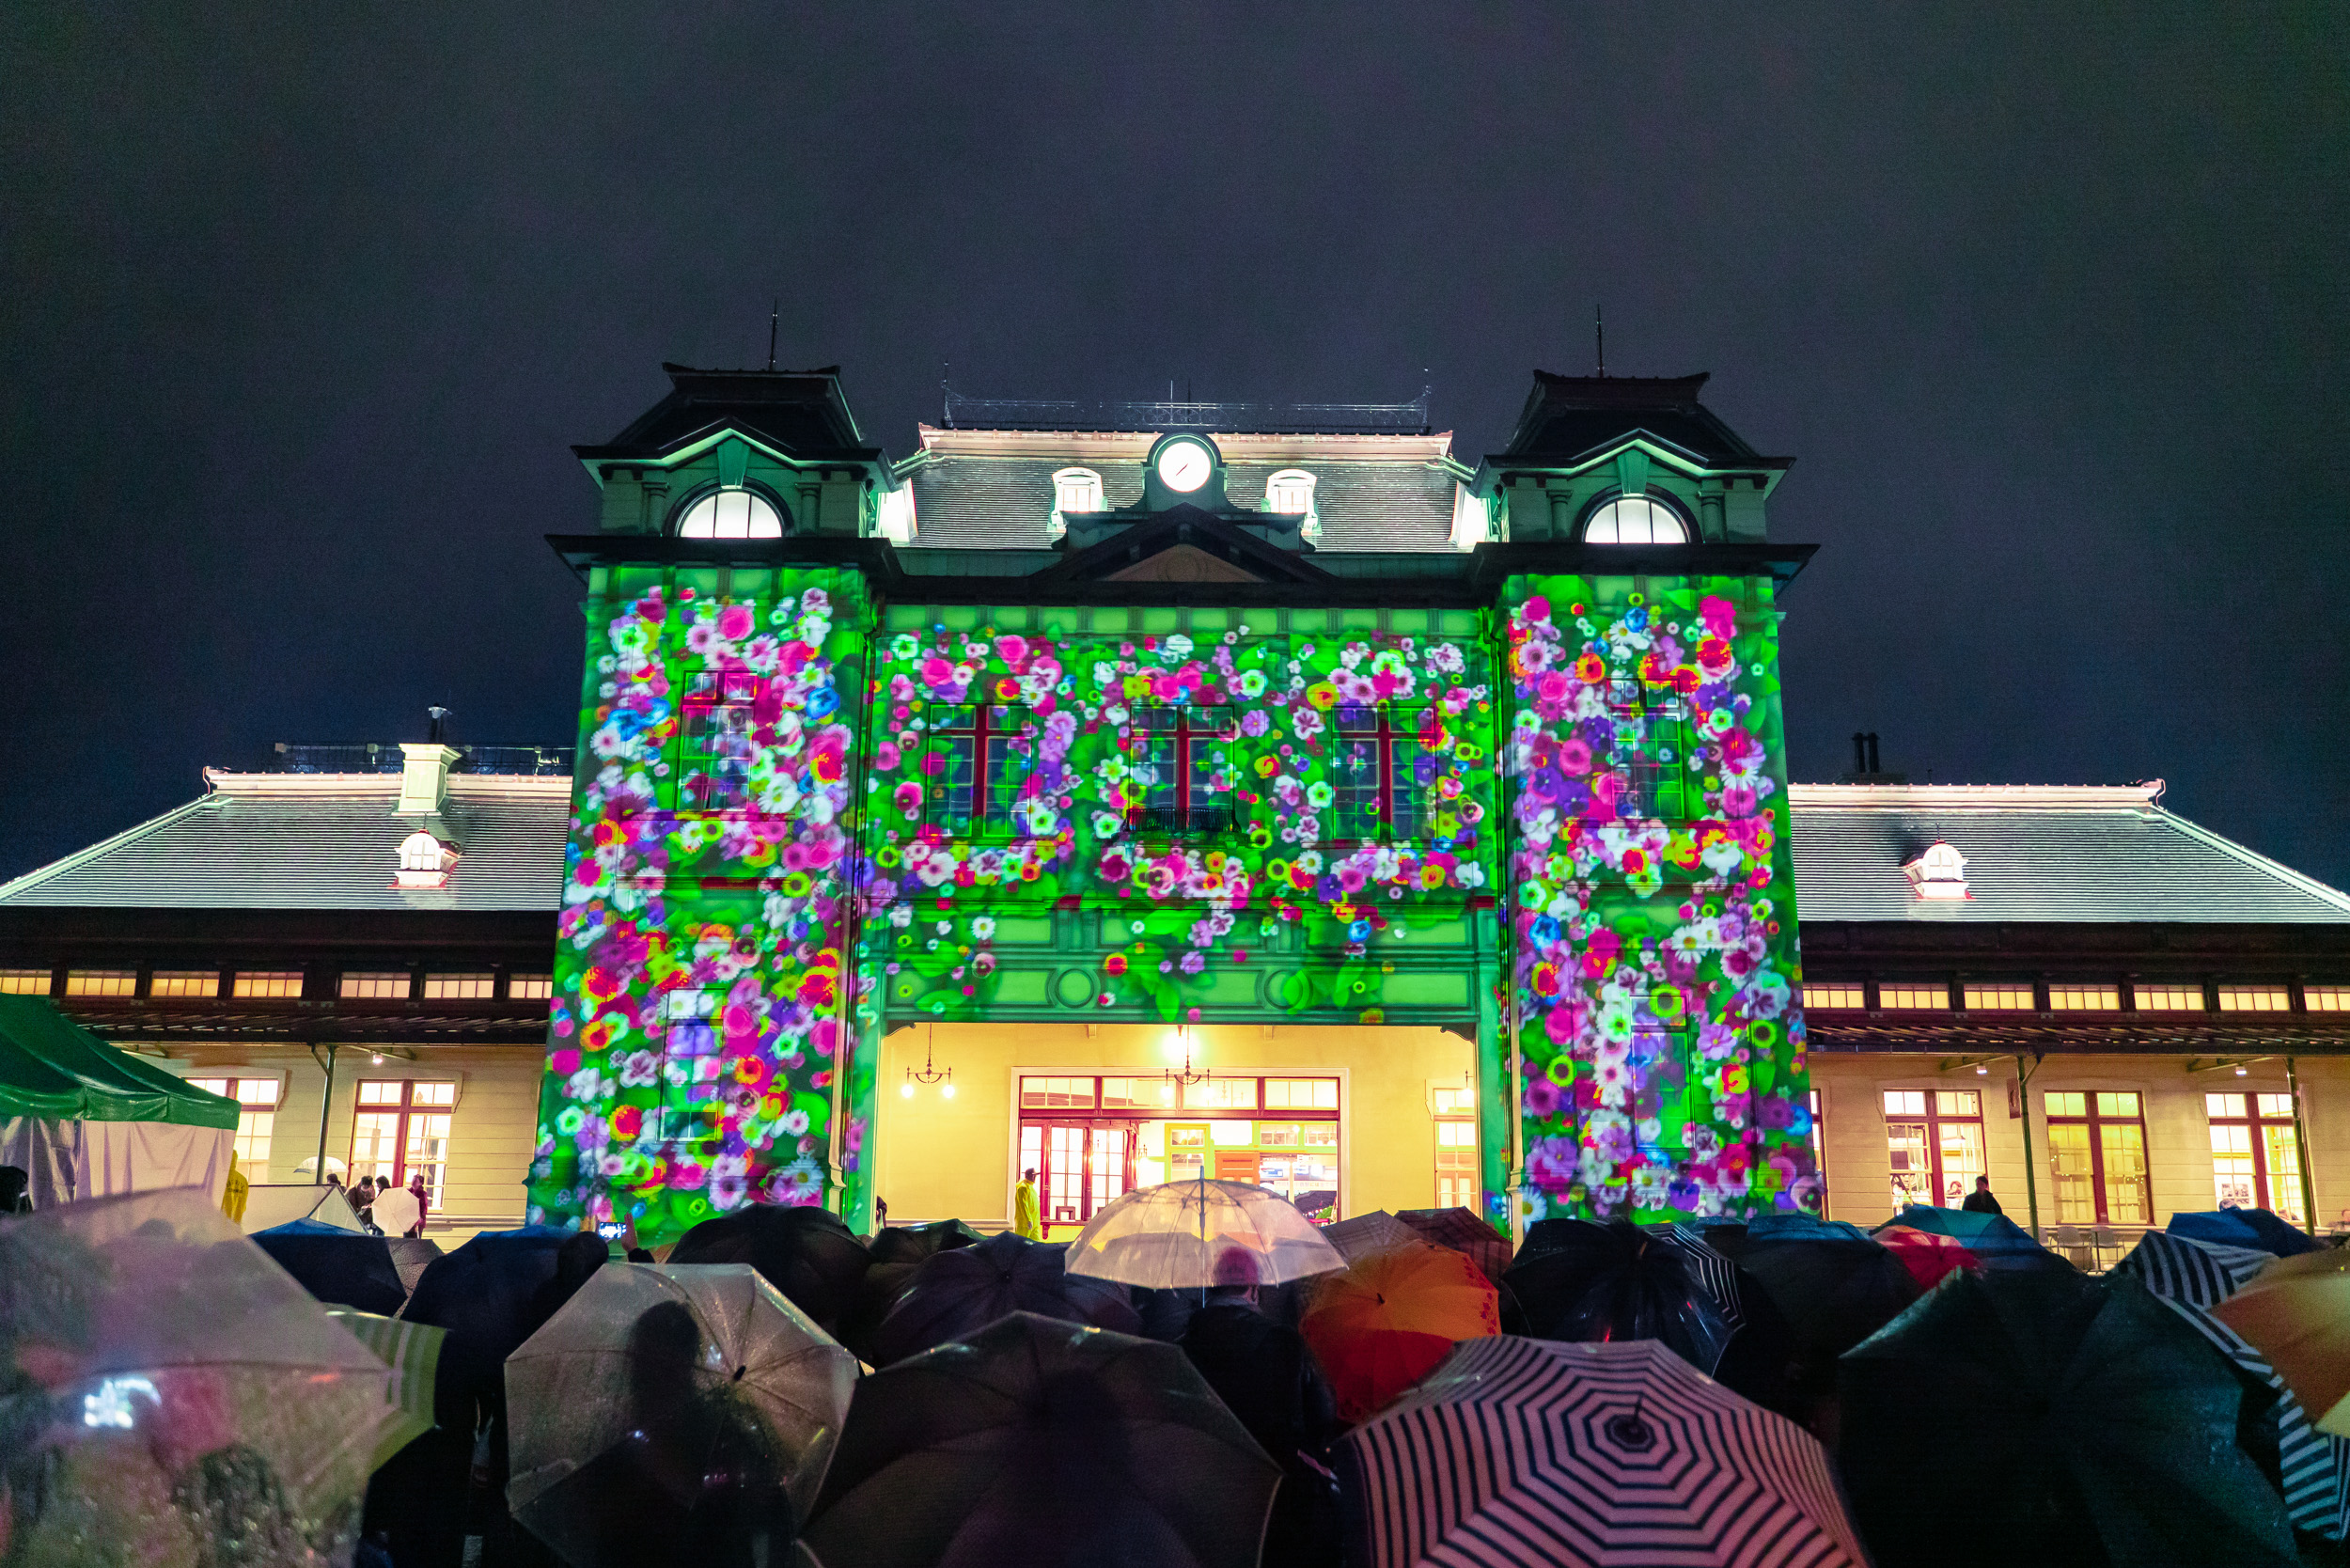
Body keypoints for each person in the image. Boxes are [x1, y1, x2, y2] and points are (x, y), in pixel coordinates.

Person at [1180, 1247, 1344, 1568]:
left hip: (1205, 1491)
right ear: (1254, 1290)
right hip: (1277, 1493)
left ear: (1212, 1287)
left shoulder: (1185, 1344)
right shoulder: (1284, 1343)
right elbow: (1322, 1413)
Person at [1012, 1168, 1042, 1240]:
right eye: (1033, 1175)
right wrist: (1028, 1220)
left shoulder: (1031, 1188)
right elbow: (1023, 1206)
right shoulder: (1023, 1188)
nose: (1035, 1177)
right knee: (1022, 1244)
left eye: (1035, 1175)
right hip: (1025, 1224)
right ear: (1028, 1176)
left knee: (1036, 1244)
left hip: (1034, 1222)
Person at [221, 1153, 249, 1224]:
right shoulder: (243, 1179)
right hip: (236, 1221)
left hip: (221, 1220)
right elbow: (244, 1203)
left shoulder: (220, 1177)